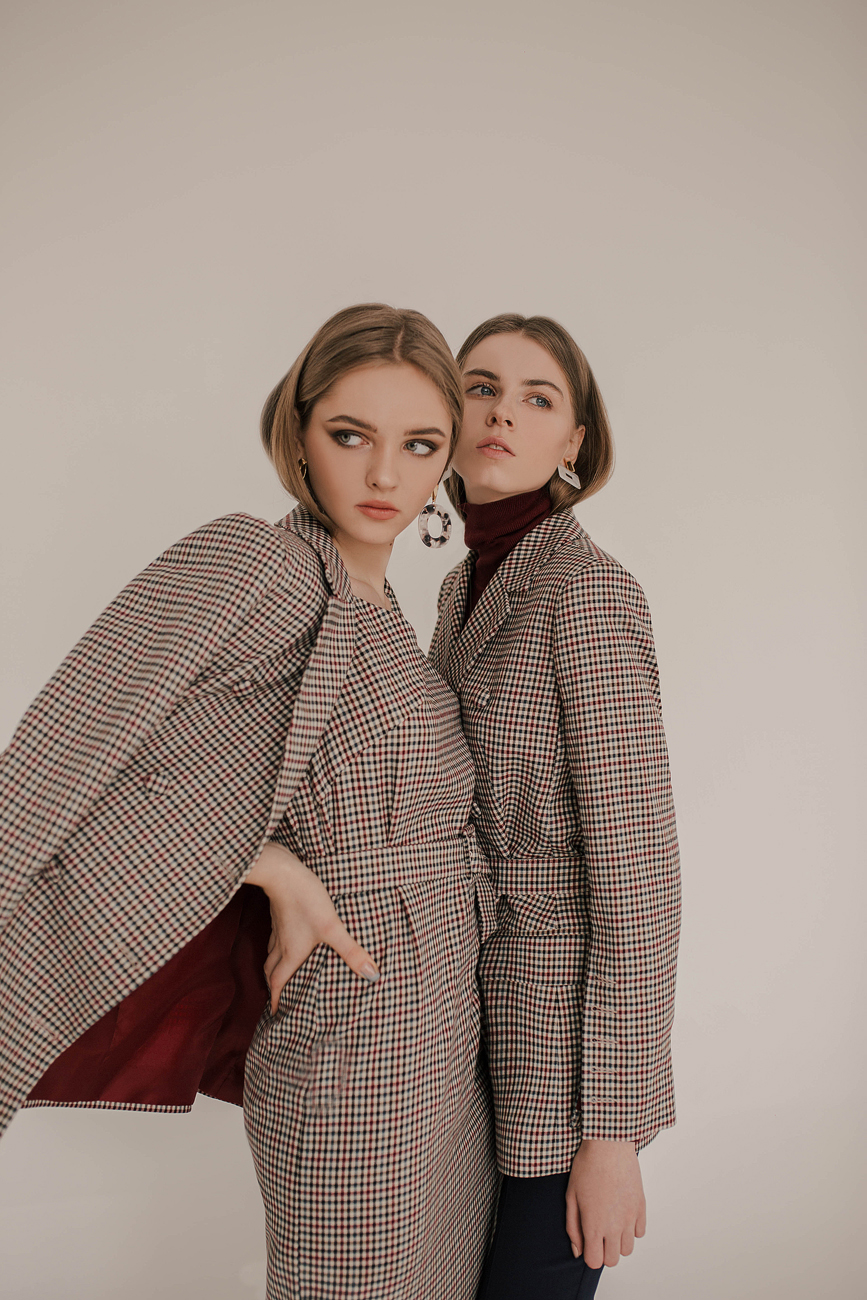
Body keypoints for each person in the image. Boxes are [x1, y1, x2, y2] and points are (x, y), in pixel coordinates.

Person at [0, 304, 499, 1299]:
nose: (384, 474)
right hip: (352, 1027)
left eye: (419, 444)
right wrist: (270, 867)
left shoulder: (393, 609)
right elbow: (65, 755)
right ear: (298, 434)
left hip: (450, 1024)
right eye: (350, 435)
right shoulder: (255, 562)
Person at [429, 314, 681, 1299]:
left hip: (562, 1064)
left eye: (538, 398)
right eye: (481, 387)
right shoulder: (458, 586)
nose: (502, 413)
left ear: (573, 442)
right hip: (460, 1031)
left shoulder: (586, 591)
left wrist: (611, 1134)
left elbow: (638, 873)